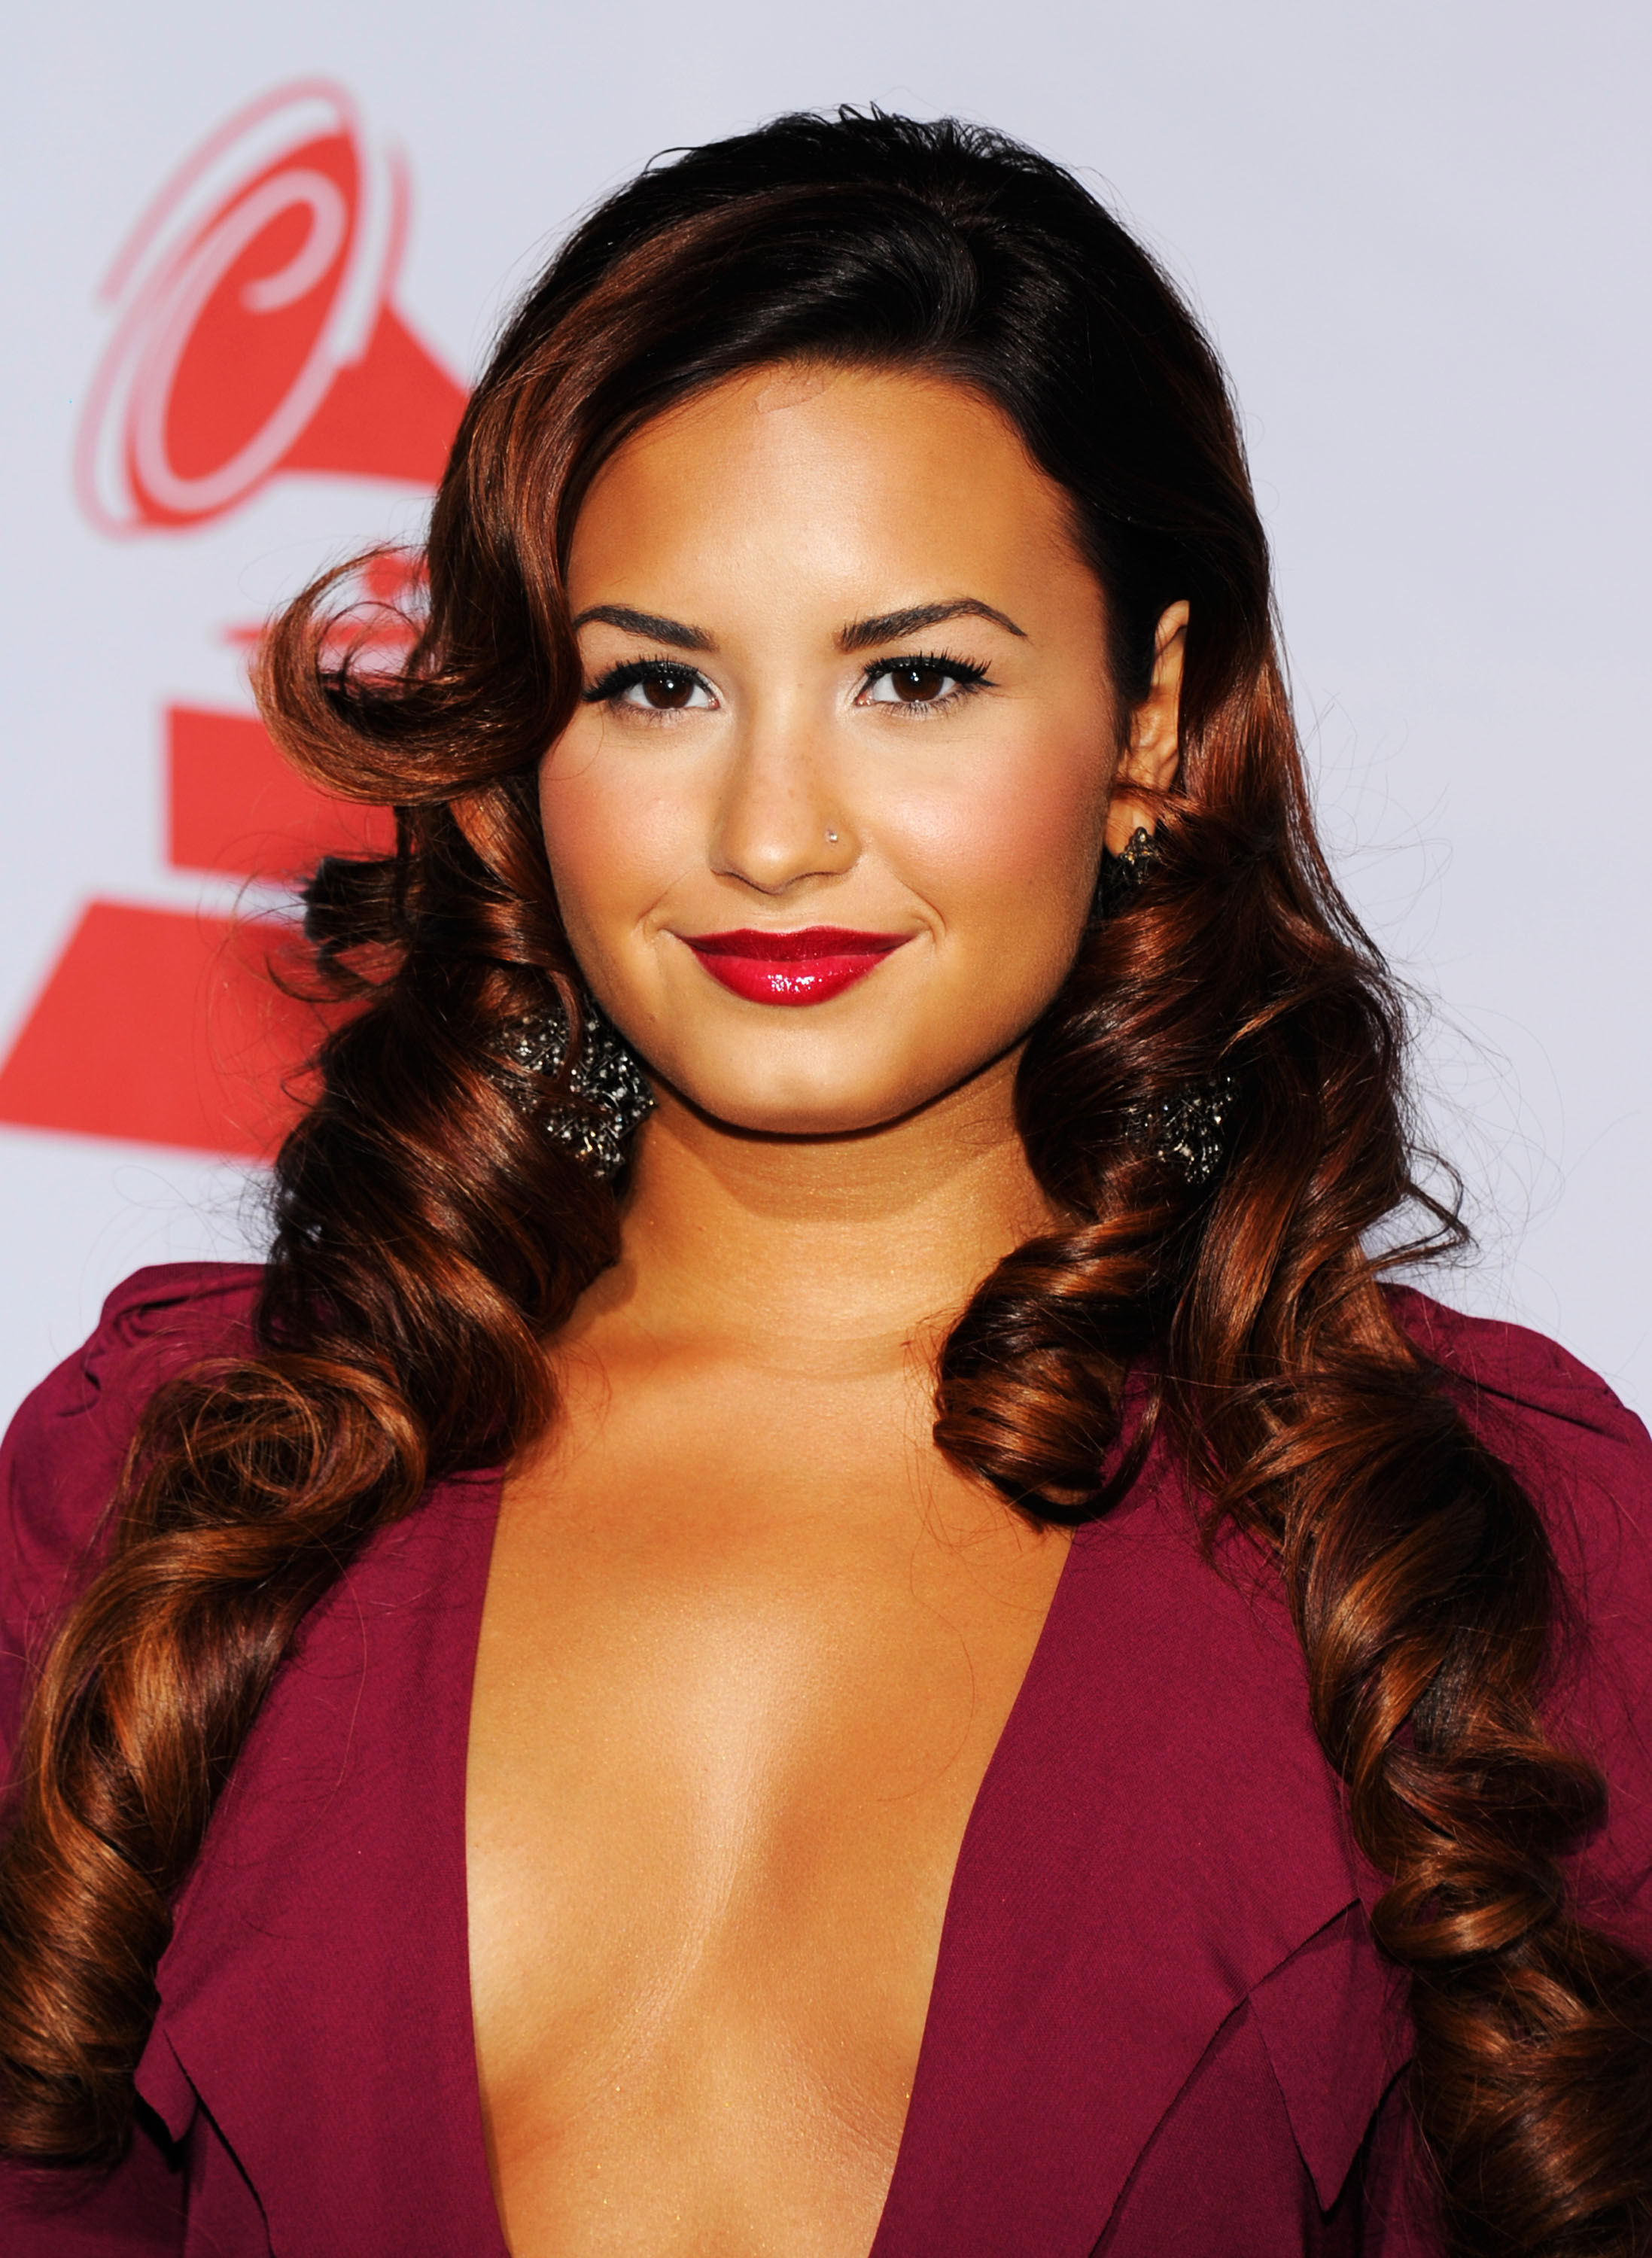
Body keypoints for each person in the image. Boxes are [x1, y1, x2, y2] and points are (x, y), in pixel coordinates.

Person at [2, 108, 1649, 2258]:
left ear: (1148, 716)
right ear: (520, 740)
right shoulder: (168, 1486)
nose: (773, 831)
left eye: (915, 676)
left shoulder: (1480, 1542)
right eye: (658, 682)